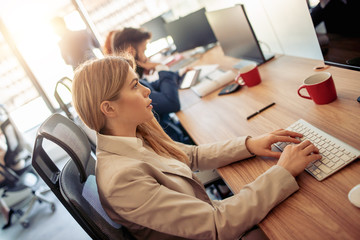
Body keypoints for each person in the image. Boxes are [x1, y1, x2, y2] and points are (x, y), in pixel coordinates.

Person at [71, 55, 321, 240]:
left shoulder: (130, 136)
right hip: (215, 229)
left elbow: (190, 154)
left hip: (211, 219)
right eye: (135, 86)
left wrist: (250, 145)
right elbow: (216, 224)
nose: (148, 90)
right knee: (312, 223)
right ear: (109, 108)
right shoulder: (122, 180)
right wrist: (282, 171)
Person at [109, 28, 189, 142]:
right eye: (144, 50)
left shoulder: (131, 82)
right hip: (174, 141)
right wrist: (161, 68)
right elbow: (172, 103)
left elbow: (153, 86)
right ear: (131, 52)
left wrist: (178, 74)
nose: (146, 58)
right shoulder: (130, 89)